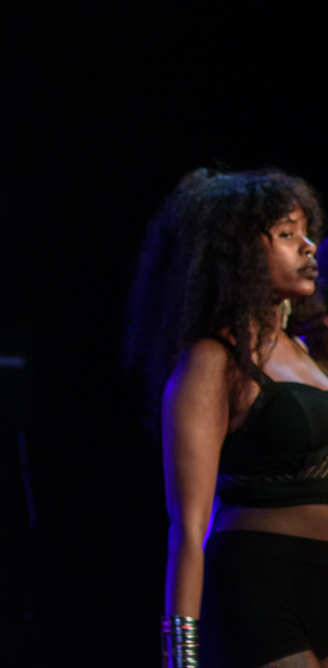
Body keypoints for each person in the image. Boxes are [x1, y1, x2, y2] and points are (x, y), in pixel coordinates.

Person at [125, 168, 328, 668]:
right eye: (287, 234)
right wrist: (182, 657)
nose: (308, 247)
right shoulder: (212, 362)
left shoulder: (308, 353)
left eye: (307, 233)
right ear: (239, 253)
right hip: (260, 586)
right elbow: (188, 526)